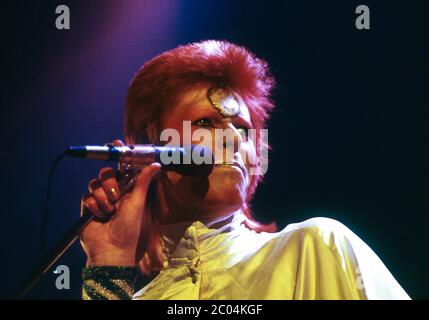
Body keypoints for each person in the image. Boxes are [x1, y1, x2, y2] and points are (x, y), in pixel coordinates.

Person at [80, 40, 410, 300]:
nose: (233, 140)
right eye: (205, 123)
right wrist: (108, 262)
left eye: (243, 129)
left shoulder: (316, 248)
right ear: (150, 147)